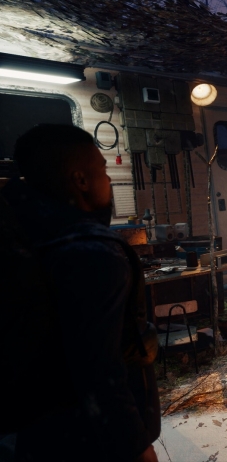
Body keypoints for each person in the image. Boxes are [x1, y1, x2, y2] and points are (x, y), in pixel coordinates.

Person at [0, 124, 160, 461]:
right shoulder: (93, 253)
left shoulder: (31, 236)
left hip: (37, 430)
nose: (109, 179)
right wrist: (136, 445)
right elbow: (98, 369)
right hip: (87, 440)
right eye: (102, 169)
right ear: (81, 180)